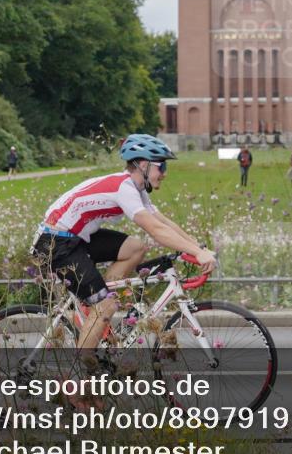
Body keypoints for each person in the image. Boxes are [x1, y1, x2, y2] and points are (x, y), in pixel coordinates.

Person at [32, 133, 216, 354]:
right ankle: (81, 376)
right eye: (162, 167)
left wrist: (198, 248)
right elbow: (156, 231)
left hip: (75, 238)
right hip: (54, 243)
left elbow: (163, 222)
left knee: (135, 247)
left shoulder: (134, 187)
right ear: (144, 165)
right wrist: (197, 252)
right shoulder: (124, 188)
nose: (165, 174)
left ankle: (97, 308)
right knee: (106, 306)